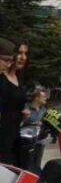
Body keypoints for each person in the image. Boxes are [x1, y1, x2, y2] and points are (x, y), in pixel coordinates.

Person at [0, 37, 26, 166]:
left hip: (12, 137)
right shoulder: (2, 80)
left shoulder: (19, 79)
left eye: (26, 54)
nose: (23, 58)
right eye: (6, 60)